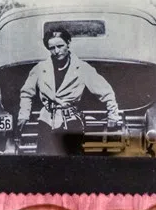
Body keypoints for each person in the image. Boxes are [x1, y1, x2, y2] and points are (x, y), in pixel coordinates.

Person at [17, 27, 120, 155]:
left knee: (72, 161)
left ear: (68, 43)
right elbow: (26, 93)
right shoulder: (39, 68)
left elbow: (106, 92)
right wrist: (23, 114)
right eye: (52, 48)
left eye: (60, 46)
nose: (56, 51)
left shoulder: (82, 68)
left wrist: (113, 115)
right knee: (44, 161)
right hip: (46, 121)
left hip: (72, 121)